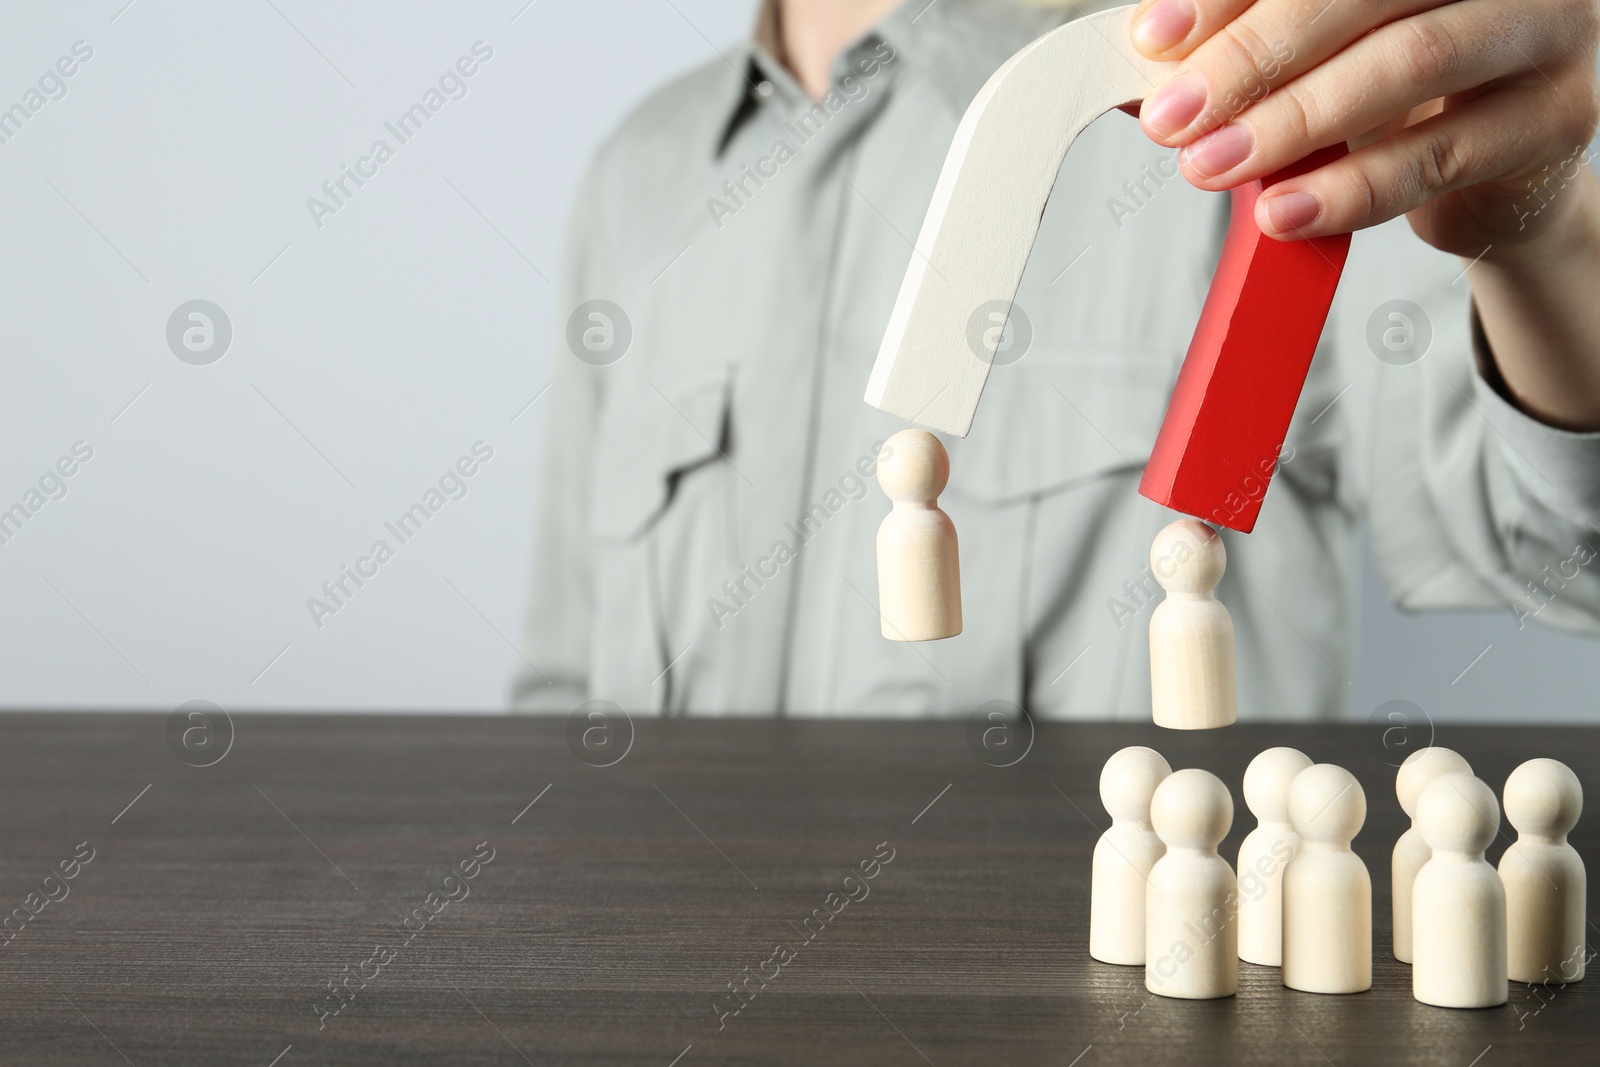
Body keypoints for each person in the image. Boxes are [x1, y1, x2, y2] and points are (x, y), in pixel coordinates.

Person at [513, 0, 1600, 718]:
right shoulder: (638, 173)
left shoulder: (1289, 93)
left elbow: (1556, 550)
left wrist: (1543, 229)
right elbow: (561, 698)